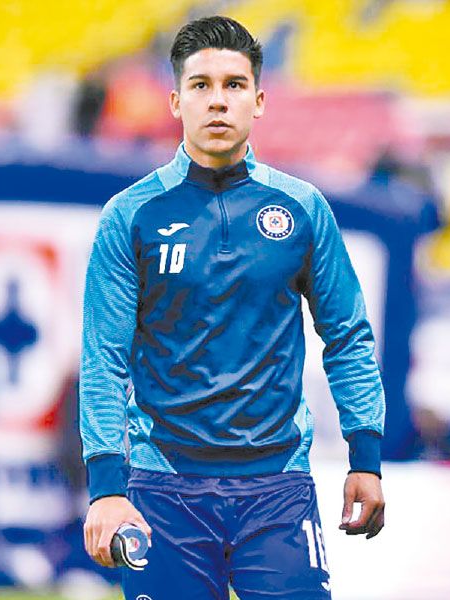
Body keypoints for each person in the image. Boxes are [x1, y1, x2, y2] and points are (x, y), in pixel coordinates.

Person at [78, 16, 386, 600]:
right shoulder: (130, 215)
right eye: (201, 85)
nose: (218, 101)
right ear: (176, 101)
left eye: (234, 85)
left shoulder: (302, 208)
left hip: (277, 488)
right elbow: (104, 359)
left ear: (259, 100)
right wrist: (107, 487)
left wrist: (365, 456)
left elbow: (348, 336)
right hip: (162, 489)